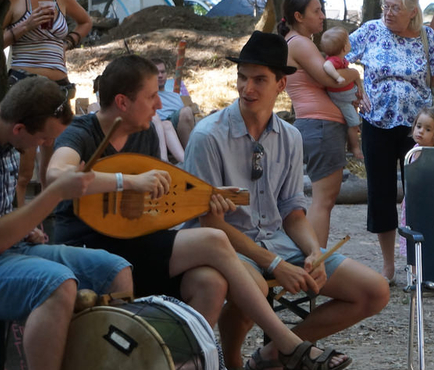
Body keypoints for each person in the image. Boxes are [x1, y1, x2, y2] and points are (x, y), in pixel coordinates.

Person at [48, 54, 353, 370]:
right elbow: (56, 177)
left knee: (211, 283)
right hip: (89, 247)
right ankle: (288, 344)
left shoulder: (146, 133)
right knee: (213, 239)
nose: (158, 105)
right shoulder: (82, 132)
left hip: (136, 243)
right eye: (152, 96)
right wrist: (129, 181)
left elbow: (155, 208)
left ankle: (187, 363)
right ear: (123, 102)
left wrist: (200, 202)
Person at [183, 31, 387, 370]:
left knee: (375, 291)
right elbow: (209, 223)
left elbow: (292, 211)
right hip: (226, 248)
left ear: (281, 85)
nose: (248, 89)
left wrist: (313, 251)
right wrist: (275, 265)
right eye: (243, 78)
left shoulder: (290, 136)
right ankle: (235, 361)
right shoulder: (208, 136)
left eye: (260, 80)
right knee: (256, 286)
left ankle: (275, 354)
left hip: (278, 243)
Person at [0, 77, 134, 370]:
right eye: (43, 139)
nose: (46, 146)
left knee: (114, 269)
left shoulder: (9, 140)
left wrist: (25, 228)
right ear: (19, 128)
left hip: (1, 252)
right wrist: (55, 193)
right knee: (56, 284)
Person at [347, 0, 434, 284]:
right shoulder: (370, 31)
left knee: (419, 192)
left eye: (396, 8)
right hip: (376, 123)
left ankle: (420, 265)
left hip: (418, 128)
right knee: (381, 193)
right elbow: (334, 59)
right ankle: (388, 266)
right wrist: (354, 86)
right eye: (386, 6)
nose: (388, 13)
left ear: (412, 13)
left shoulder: (426, 35)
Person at [278, 0, 362, 254]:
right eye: (316, 11)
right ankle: (316, 263)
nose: (323, 16)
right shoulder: (301, 43)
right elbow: (332, 81)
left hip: (320, 125)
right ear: (298, 16)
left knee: (323, 199)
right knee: (322, 201)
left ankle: (315, 263)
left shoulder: (297, 42)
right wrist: (356, 73)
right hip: (321, 126)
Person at [3, 0, 92, 207]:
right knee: (24, 169)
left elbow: (86, 21)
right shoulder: (14, 3)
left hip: (59, 88)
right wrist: (26, 25)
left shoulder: (61, 1)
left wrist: (68, 42)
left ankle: (47, 217)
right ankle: (18, 223)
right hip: (26, 87)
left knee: (52, 159)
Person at [398, 107, 434, 257]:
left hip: (428, 201)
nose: (420, 131)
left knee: (428, 235)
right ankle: (414, 273)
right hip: (413, 200)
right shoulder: (414, 150)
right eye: (418, 126)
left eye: (427, 129)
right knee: (412, 234)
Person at [320, 26, 365, 160]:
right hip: (343, 99)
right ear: (345, 47)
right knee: (353, 122)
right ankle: (355, 148)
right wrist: (337, 77)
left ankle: (352, 146)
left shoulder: (341, 59)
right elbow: (327, 66)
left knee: (355, 114)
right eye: (348, 41)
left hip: (348, 95)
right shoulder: (334, 60)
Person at [152, 58, 196, 154]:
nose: (160, 76)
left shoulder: (176, 94)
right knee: (186, 111)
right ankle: (190, 155)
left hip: (179, 126)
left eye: (162, 72)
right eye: (156, 73)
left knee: (187, 111)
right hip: (159, 127)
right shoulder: (147, 94)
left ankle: (191, 155)